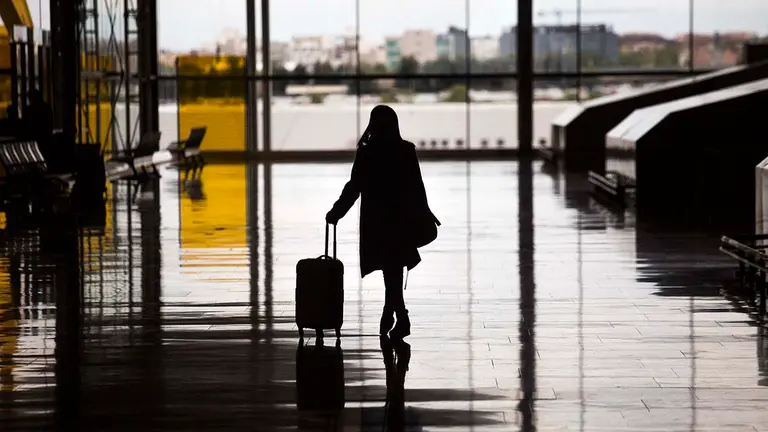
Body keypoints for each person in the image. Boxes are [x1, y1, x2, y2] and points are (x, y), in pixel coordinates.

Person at [326, 105, 438, 339]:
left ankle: (397, 314)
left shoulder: (367, 153)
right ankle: (393, 313)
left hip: (377, 221)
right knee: (393, 268)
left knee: (390, 269)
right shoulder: (406, 150)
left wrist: (337, 212)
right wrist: (424, 213)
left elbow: (354, 187)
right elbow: (417, 187)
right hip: (400, 220)